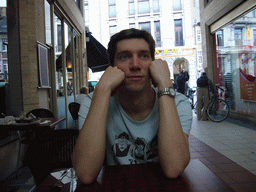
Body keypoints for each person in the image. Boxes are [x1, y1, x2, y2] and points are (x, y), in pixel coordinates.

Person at [72, 28, 192, 184]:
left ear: (154, 64)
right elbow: (85, 173)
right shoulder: (93, 102)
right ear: (111, 67)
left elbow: (173, 168)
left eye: (143, 56)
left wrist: (164, 84)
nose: (135, 65)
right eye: (124, 57)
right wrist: (102, 89)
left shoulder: (177, 102)